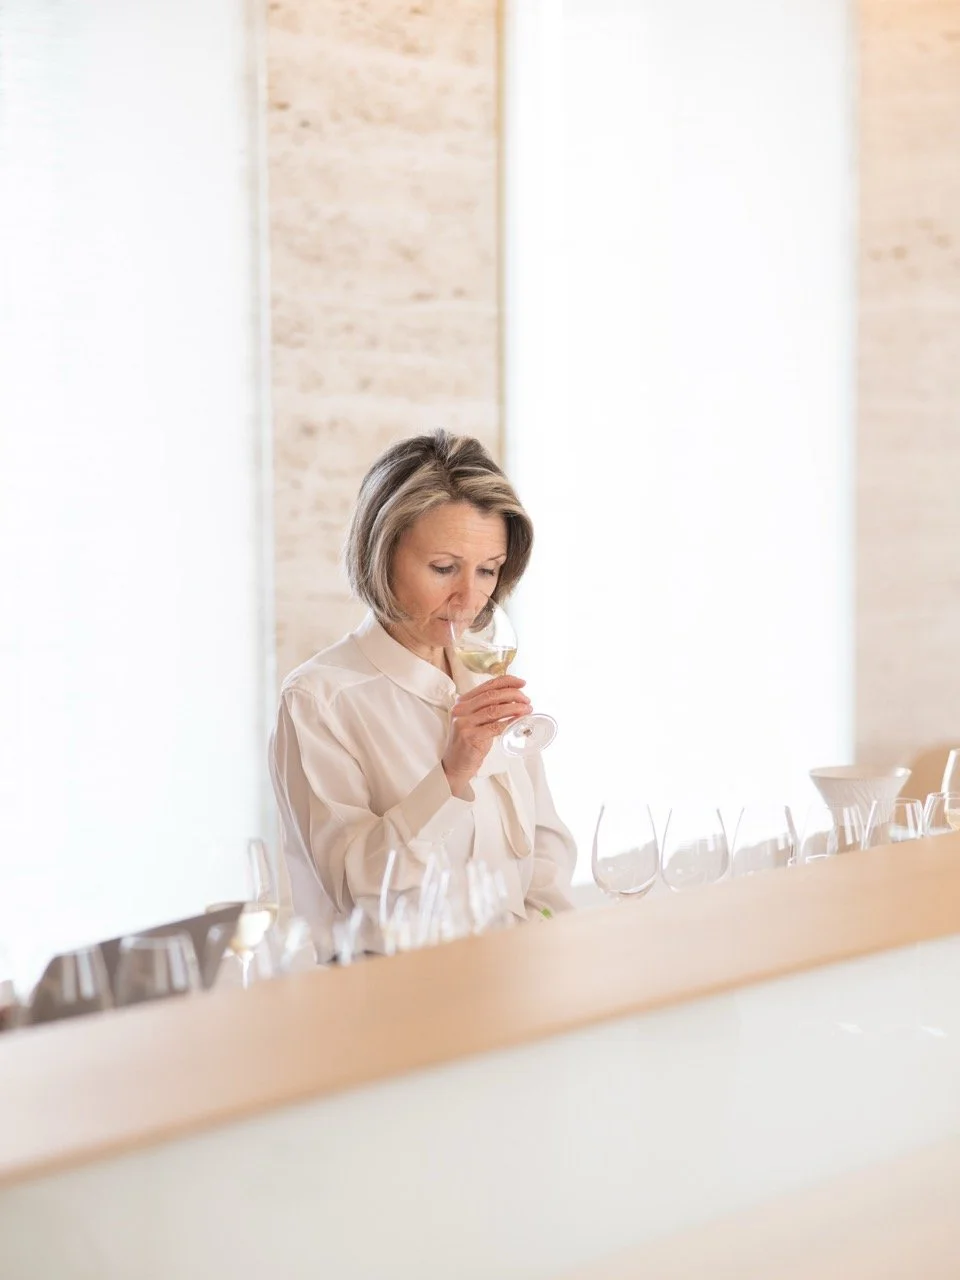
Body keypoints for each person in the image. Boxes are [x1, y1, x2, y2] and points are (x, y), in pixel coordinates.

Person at [269, 430, 576, 945]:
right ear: (381, 553)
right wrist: (451, 774)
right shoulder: (319, 700)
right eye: (443, 568)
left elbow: (546, 850)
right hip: (389, 1004)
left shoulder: (484, 679)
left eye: (488, 571)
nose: (469, 598)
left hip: (510, 992)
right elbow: (354, 887)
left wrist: (551, 949)